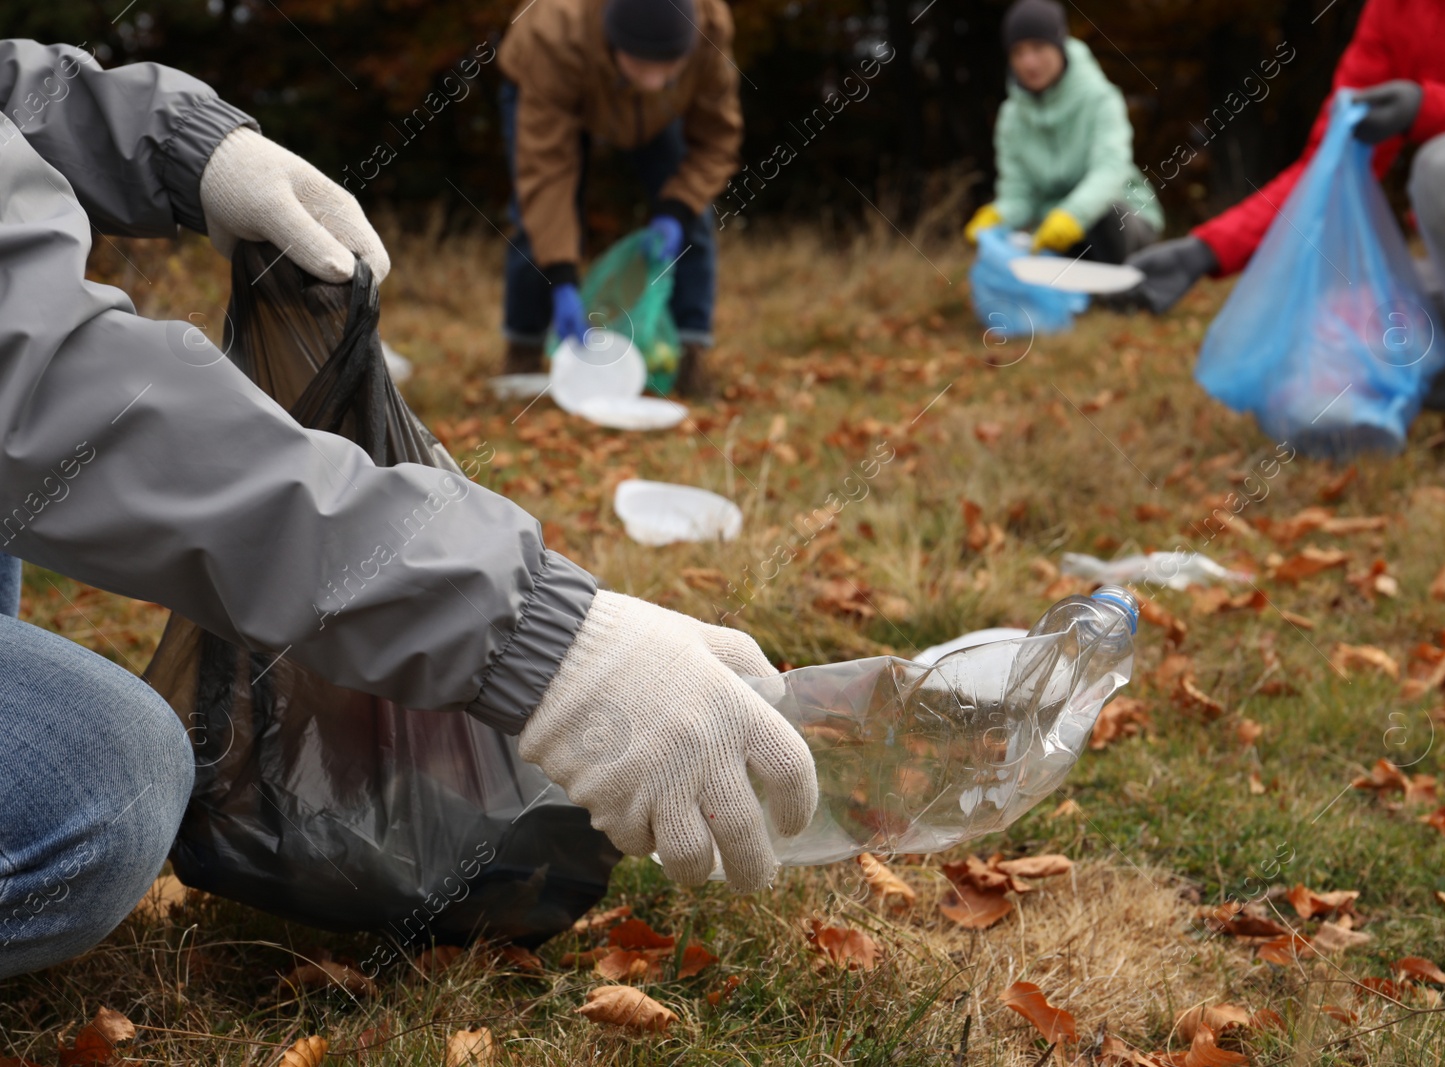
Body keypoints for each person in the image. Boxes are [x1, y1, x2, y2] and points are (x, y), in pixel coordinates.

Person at [0, 40, 814, 979]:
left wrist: (177, 142)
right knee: (105, 789)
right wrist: (541, 643)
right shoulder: (551, 53)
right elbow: (45, 387)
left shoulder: (705, 58)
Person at [1120, 0, 1445, 481]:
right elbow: (1326, 167)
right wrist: (1206, 250)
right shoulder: (1392, 11)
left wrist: (1435, 108)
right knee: (1345, 336)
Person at [496, 0, 740, 396]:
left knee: (694, 215)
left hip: (663, 114)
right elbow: (546, 173)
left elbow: (717, 140)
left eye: (668, 66)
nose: (654, 81)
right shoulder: (555, 31)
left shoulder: (709, 29)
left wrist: (676, 209)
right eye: (642, 65)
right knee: (535, 216)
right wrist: (560, 277)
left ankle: (689, 354)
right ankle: (523, 350)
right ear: (612, 42)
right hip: (553, 85)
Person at [963, 0, 1163, 264]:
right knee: (1021, 245)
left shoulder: (1101, 99)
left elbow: (1111, 170)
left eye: (1038, 47)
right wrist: (999, 215)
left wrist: (1073, 214)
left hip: (1122, 218)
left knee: (1104, 218)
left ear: (1060, 45)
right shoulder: (1010, 119)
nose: (1029, 62)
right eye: (1018, 52)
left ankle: (1122, 290)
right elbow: (1018, 193)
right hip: (1054, 229)